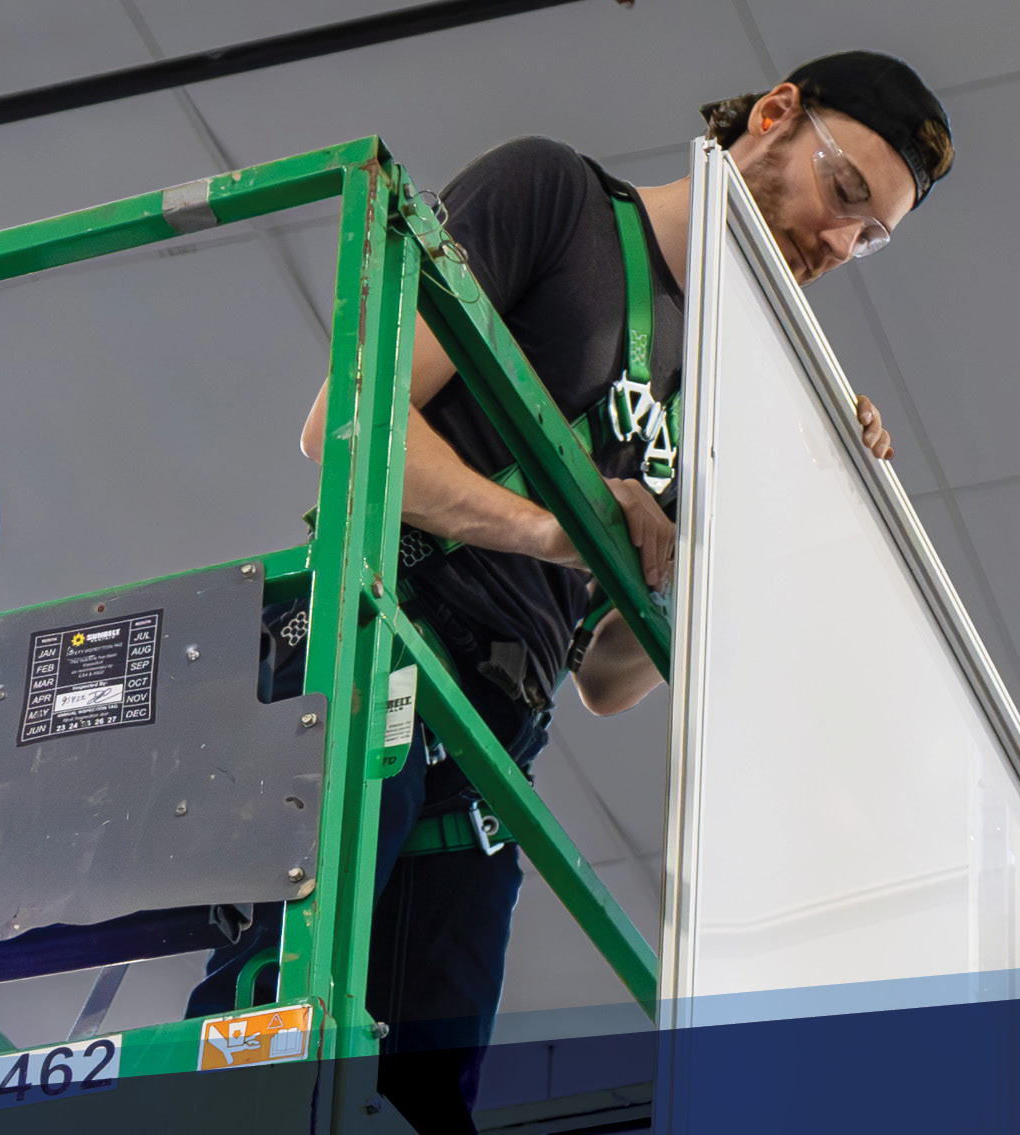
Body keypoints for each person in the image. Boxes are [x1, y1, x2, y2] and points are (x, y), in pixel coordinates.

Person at [185, 50, 954, 1131]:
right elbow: (347, 431)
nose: (835, 242)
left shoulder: (721, 394)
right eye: (843, 193)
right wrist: (564, 523)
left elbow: (604, 677)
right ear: (775, 116)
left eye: (867, 239)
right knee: (274, 1031)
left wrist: (750, 529)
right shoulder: (556, 200)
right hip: (375, 643)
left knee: (417, 1105)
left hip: (498, 735)